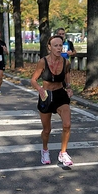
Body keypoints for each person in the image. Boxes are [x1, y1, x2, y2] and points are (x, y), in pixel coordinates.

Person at [30, 35, 74, 167]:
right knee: (47, 130)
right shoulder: (43, 62)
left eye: (60, 45)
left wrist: (69, 87)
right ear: (49, 47)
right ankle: (44, 150)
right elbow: (33, 80)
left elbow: (67, 76)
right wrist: (39, 88)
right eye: (56, 45)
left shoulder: (66, 62)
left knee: (67, 124)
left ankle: (63, 153)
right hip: (46, 96)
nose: (59, 48)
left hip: (60, 94)